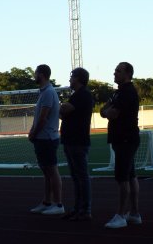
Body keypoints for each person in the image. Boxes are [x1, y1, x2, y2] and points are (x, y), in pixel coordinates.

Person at [100, 62, 142, 229]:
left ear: (127, 74)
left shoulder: (127, 93)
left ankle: (121, 214)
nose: (114, 73)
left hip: (125, 139)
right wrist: (107, 112)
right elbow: (104, 111)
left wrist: (107, 112)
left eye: (118, 70)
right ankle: (134, 213)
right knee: (130, 175)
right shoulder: (118, 93)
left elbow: (111, 113)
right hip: (124, 139)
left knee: (123, 177)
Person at [28, 64, 65, 215]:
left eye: (35, 73)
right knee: (47, 172)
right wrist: (33, 130)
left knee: (52, 170)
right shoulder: (44, 92)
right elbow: (39, 117)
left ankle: (58, 204)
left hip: (47, 138)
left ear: (41, 75)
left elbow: (43, 118)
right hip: (43, 138)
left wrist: (34, 133)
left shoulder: (48, 92)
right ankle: (47, 201)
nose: (34, 76)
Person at [60, 67, 94, 221]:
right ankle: (79, 208)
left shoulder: (83, 95)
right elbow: (63, 112)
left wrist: (63, 108)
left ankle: (84, 210)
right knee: (76, 176)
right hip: (71, 141)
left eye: (72, 76)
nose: (69, 79)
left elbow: (64, 110)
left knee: (81, 176)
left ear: (79, 78)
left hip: (77, 141)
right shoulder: (78, 96)